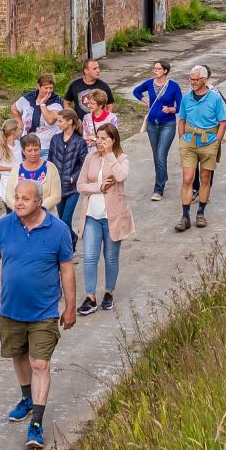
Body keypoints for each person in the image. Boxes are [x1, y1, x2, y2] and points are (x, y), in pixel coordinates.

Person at [0, 178, 76, 450]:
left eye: (25, 199)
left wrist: (71, 306)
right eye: (16, 197)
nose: (18, 202)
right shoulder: (4, 226)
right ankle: (26, 399)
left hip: (44, 312)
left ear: (39, 202)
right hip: (11, 310)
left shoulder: (59, 230)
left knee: (39, 363)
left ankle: (37, 423)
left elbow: (66, 270)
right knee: (18, 356)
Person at [75, 122, 134, 315]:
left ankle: (109, 292)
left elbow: (121, 176)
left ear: (113, 140)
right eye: (97, 138)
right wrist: (98, 187)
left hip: (113, 216)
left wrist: (109, 154)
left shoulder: (121, 158)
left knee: (110, 257)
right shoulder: (90, 157)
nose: (99, 142)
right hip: (92, 214)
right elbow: (80, 185)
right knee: (90, 257)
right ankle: (90, 297)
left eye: (103, 139)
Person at [176, 65, 226, 232]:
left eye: (196, 80)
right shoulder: (186, 98)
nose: (192, 82)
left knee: (205, 179)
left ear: (204, 80)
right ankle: (185, 216)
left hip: (209, 143)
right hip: (189, 143)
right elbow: (181, 120)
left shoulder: (214, 98)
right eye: (190, 79)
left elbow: (223, 122)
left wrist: (216, 143)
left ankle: (200, 213)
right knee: (187, 178)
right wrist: (182, 139)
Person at [131, 60, 182, 202]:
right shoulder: (149, 83)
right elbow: (135, 91)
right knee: (156, 155)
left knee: (161, 154)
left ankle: (158, 189)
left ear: (165, 71)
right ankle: (162, 175)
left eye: (158, 69)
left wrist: (171, 109)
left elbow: (181, 105)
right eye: (154, 69)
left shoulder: (173, 86)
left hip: (168, 124)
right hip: (152, 124)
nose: (155, 71)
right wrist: (145, 100)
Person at [45, 104, 89, 236]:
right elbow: (50, 160)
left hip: (72, 188)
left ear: (69, 121)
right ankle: (72, 240)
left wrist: (73, 178)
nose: (57, 124)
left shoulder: (80, 142)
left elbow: (84, 164)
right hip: (57, 187)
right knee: (60, 221)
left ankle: (68, 248)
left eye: (60, 121)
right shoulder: (55, 139)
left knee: (65, 219)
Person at [0, 133, 63, 213]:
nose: (33, 153)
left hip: (46, 216)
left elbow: (56, 196)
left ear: (40, 149)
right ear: (23, 151)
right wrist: (21, 209)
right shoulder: (16, 170)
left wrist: (36, 209)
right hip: (22, 218)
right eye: (29, 150)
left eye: (36, 150)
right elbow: (9, 197)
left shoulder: (50, 168)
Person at [12, 72, 64, 140]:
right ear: (39, 86)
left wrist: (42, 104)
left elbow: (50, 121)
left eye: (51, 88)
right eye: (46, 88)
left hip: (48, 145)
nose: (48, 91)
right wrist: (20, 123)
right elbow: (14, 108)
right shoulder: (29, 98)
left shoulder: (56, 101)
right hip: (27, 142)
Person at [0, 117, 23, 208]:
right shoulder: (2, 148)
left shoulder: (18, 144)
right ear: (13, 131)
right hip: (7, 181)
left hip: (20, 179)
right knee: (10, 205)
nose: (21, 131)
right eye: (19, 129)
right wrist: (10, 169)